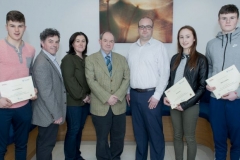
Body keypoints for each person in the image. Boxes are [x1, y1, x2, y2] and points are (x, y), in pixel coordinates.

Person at [126, 17, 170, 160]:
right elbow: (128, 72)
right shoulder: (132, 48)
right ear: (138, 28)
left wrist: (157, 95)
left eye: (148, 27)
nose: (144, 29)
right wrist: (128, 91)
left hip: (151, 96)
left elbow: (165, 74)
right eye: (142, 27)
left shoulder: (159, 47)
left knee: (155, 133)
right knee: (139, 133)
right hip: (134, 95)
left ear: (152, 29)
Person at [163, 25, 208, 160]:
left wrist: (185, 104)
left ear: (194, 39)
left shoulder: (201, 59)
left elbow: (202, 87)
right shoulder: (174, 58)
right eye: (181, 37)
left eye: (188, 36)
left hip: (191, 105)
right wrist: (166, 96)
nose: (184, 40)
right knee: (177, 135)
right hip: (174, 103)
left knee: (189, 137)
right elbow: (170, 81)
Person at [85, 31, 130, 160]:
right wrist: (107, 97)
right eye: (105, 40)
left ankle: (116, 157)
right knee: (102, 137)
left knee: (118, 136)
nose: (108, 43)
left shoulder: (121, 59)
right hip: (100, 105)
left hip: (119, 105)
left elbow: (126, 79)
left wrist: (117, 95)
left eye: (111, 41)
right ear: (100, 42)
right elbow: (91, 80)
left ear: (114, 43)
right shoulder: (90, 59)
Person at [0, 10, 37, 160]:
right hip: (3, 107)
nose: (16, 30)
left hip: (24, 106)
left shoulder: (31, 49)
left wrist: (33, 89)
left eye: (20, 26)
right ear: (6, 26)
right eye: (12, 25)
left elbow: (29, 75)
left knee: (22, 145)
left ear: (25, 28)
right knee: (0, 148)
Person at [206, 4, 240, 160]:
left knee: (237, 143)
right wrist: (208, 83)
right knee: (218, 142)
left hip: (236, 100)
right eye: (224, 18)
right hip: (216, 99)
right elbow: (210, 67)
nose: (228, 21)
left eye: (232, 18)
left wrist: (237, 94)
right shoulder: (211, 44)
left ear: (237, 19)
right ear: (218, 20)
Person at [32, 28, 66, 160]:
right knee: (45, 146)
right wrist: (56, 114)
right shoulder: (42, 62)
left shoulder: (49, 59)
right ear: (42, 43)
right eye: (50, 41)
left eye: (57, 42)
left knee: (47, 145)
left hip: (49, 112)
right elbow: (46, 92)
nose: (54, 45)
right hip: (48, 114)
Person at [61, 32, 91, 160]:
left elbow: (90, 79)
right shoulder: (68, 59)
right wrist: (83, 96)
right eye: (77, 41)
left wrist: (89, 95)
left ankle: (76, 156)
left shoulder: (86, 59)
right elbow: (69, 81)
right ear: (72, 43)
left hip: (85, 102)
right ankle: (70, 157)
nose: (80, 43)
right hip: (74, 103)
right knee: (73, 130)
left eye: (83, 41)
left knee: (79, 130)